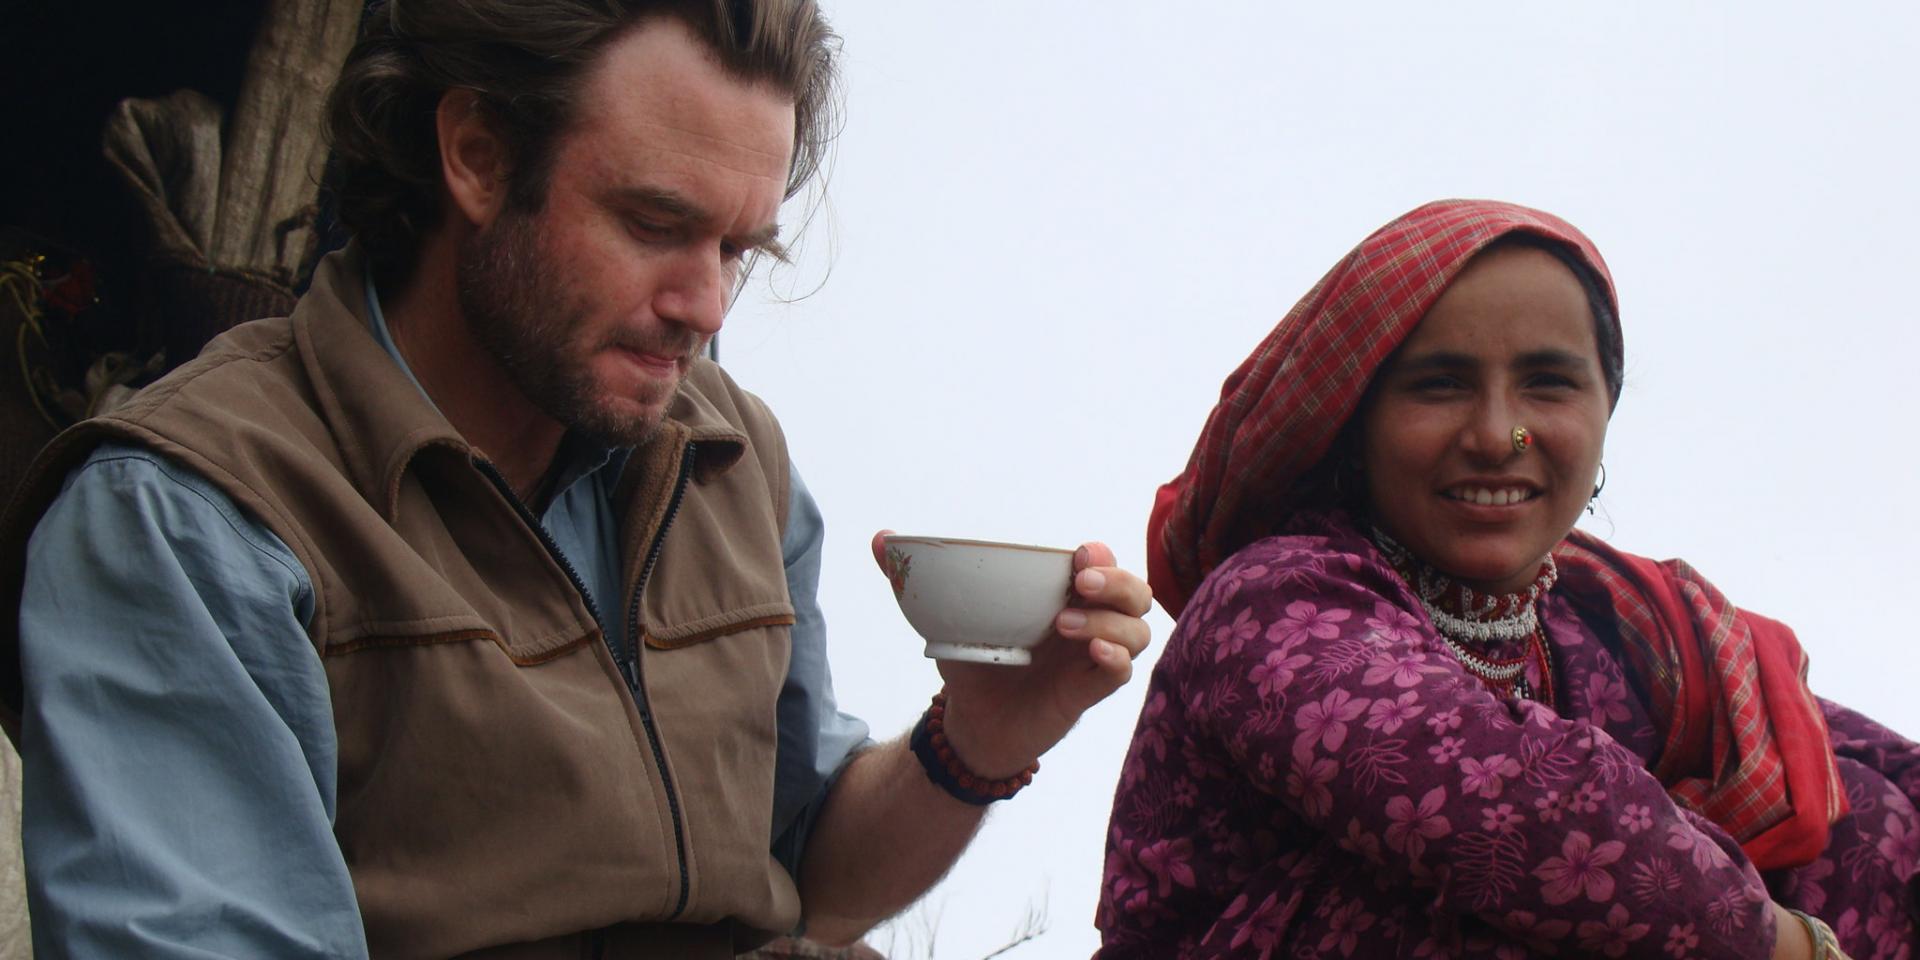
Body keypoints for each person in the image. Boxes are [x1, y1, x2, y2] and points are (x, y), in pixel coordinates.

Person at [0, 2, 1154, 957]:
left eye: (739, 250)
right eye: (656, 222)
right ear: (478, 156)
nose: (704, 306)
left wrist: (983, 735)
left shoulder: (731, 459)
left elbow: (813, 875)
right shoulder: (191, 521)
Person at [1096, 199, 1919, 958]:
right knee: (1517, 894)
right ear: (1357, 421)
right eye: (1440, 384)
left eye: (1548, 383)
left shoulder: (1609, 627)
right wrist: (1787, 946)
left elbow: (1858, 757)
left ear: (1605, 411)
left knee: (1867, 816)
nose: (1499, 436)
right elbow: (1506, 809)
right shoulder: (1274, 596)